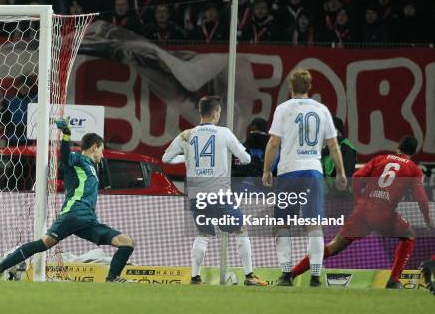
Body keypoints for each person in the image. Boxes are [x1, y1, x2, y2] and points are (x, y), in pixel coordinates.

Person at [0, 123, 135, 282]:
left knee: (127, 243)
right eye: (102, 150)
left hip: (88, 220)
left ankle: (112, 278)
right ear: (95, 147)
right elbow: (65, 156)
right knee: (43, 244)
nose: (102, 155)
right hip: (73, 214)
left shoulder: (91, 167)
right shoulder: (78, 159)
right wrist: (66, 135)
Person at [290, 136, 434, 289]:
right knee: (409, 236)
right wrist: (427, 219)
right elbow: (421, 198)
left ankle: (289, 275)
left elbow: (357, 177)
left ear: (398, 147)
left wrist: (358, 201)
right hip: (385, 214)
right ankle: (393, 280)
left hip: (363, 211)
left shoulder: (380, 159)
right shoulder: (413, 169)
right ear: (414, 151)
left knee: (334, 246)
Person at [163, 96, 267, 286]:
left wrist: (186, 158)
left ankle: (195, 278)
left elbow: (166, 158)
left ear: (201, 113)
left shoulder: (186, 134)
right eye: (219, 111)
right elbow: (245, 159)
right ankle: (250, 276)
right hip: (219, 194)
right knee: (241, 229)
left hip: (196, 196)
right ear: (215, 113)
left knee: (203, 233)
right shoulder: (224, 133)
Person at [262, 68, 347, 287]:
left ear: (290, 87)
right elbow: (333, 144)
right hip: (312, 171)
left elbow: (273, 142)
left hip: (289, 171)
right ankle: (316, 276)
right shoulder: (322, 110)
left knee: (283, 224)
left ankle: (284, 275)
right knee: (314, 225)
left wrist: (266, 169)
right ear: (310, 87)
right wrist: (341, 172)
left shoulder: (283, 109)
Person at [321, 116, 356, 193]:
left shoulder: (347, 148)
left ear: (338, 131)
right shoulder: (325, 149)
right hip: (326, 194)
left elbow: (347, 175)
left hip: (339, 195)